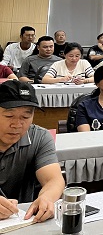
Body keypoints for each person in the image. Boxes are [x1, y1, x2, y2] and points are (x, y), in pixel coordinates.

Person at [0, 80, 65, 222]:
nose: (17, 124)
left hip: (22, 219)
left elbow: (54, 179)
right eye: (9, 116)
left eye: (25, 117)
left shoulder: (39, 137)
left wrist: (47, 198)